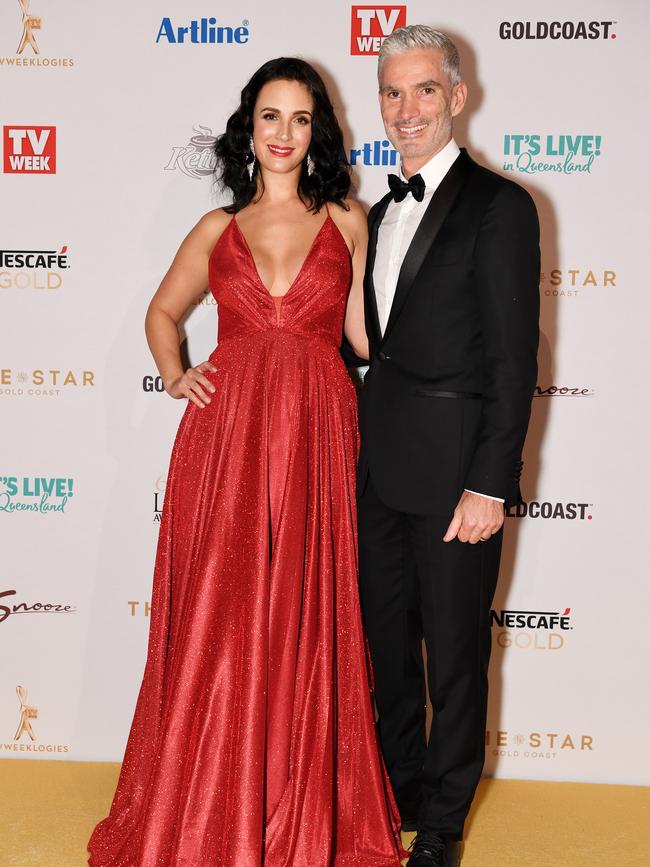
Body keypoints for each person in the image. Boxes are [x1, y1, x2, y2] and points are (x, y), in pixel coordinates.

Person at [88, 57, 403, 867]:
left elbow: (366, 340)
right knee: (222, 622)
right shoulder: (214, 231)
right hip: (224, 446)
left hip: (317, 437)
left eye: (301, 119)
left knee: (306, 613)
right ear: (248, 127)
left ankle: (293, 809)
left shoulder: (348, 220)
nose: (285, 134)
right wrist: (174, 371)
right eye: (271, 116)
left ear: (318, 131)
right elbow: (163, 312)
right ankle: (208, 810)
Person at [356, 26, 540, 867]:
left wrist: (490, 483)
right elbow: (371, 347)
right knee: (386, 648)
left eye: (424, 89)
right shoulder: (380, 210)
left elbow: (513, 362)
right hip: (379, 467)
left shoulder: (501, 206)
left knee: (457, 659)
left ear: (457, 97)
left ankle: (441, 825)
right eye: (393, 92)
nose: (406, 109)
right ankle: (396, 791)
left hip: (458, 473)